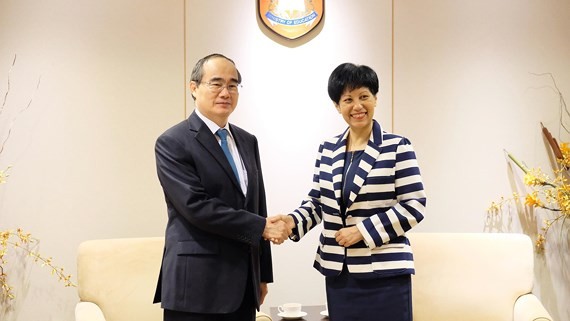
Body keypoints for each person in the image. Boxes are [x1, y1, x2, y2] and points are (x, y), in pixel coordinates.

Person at [280, 62, 427, 321]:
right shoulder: (327, 149)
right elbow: (317, 202)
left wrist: (362, 231)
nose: (357, 106)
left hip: (386, 275)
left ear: (375, 99)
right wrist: (292, 222)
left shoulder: (397, 146)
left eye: (364, 96)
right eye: (348, 99)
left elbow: (414, 205)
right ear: (337, 106)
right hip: (340, 273)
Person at [153, 53, 290, 321]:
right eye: (216, 83)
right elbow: (196, 207)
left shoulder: (247, 141)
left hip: (243, 288)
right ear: (194, 88)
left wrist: (262, 275)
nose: (225, 92)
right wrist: (261, 226)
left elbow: (257, 205)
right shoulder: (173, 142)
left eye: (233, 84)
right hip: (195, 288)